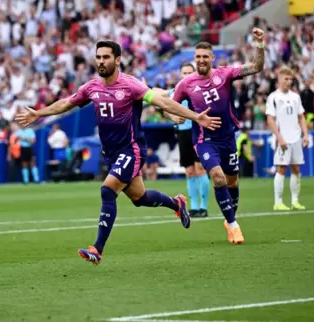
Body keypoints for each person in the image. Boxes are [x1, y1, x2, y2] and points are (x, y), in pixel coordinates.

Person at [16, 40, 221, 264]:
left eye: (106, 57)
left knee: (107, 190)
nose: (101, 61)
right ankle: (177, 203)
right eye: (99, 57)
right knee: (139, 198)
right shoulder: (92, 87)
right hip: (112, 153)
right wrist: (39, 113)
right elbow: (67, 103)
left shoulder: (131, 86)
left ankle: (97, 248)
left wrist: (194, 116)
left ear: (118, 60)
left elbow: (162, 102)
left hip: (131, 149)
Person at [171, 28, 266, 245]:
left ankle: (229, 218)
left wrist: (259, 45)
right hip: (204, 140)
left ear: (212, 58)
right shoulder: (186, 84)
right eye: (198, 57)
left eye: (205, 56)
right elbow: (171, 105)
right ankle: (233, 225)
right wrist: (174, 116)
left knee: (232, 181)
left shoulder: (224, 74)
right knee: (217, 176)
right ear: (194, 59)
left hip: (228, 138)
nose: (201, 60)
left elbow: (257, 66)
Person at [167, 63, 210, 218]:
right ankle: (194, 207)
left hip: (197, 131)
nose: (186, 75)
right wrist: (172, 116)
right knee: (189, 171)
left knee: (200, 169)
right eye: (183, 73)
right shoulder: (175, 91)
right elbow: (163, 104)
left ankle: (204, 207)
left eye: (189, 73)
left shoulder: (200, 90)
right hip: (182, 134)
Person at [266, 67, 309, 211]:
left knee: (296, 168)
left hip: (295, 137)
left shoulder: (295, 97)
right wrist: (279, 137)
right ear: (279, 79)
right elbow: (270, 119)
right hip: (282, 139)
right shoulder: (273, 97)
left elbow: (301, 116)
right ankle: (278, 202)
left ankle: (295, 201)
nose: (289, 82)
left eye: (290, 79)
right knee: (281, 169)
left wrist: (306, 134)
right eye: (286, 79)